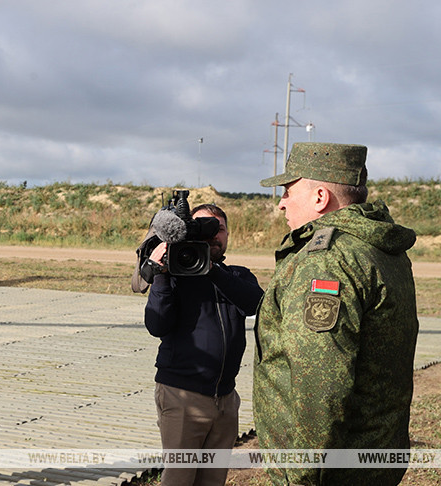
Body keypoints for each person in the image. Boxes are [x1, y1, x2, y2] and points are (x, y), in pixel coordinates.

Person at [254, 142, 418, 485]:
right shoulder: (379, 247)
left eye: (287, 191)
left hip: (332, 473)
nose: (281, 203)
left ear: (319, 197)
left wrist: (302, 473)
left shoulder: (327, 260)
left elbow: (322, 381)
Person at [144, 203, 264, 485]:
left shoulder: (238, 275)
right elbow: (156, 325)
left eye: (218, 229)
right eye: (202, 228)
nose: (213, 235)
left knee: (213, 480)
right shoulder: (174, 277)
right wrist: (161, 275)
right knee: (179, 479)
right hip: (182, 396)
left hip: (226, 401)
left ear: (227, 236)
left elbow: (254, 303)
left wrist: (211, 270)